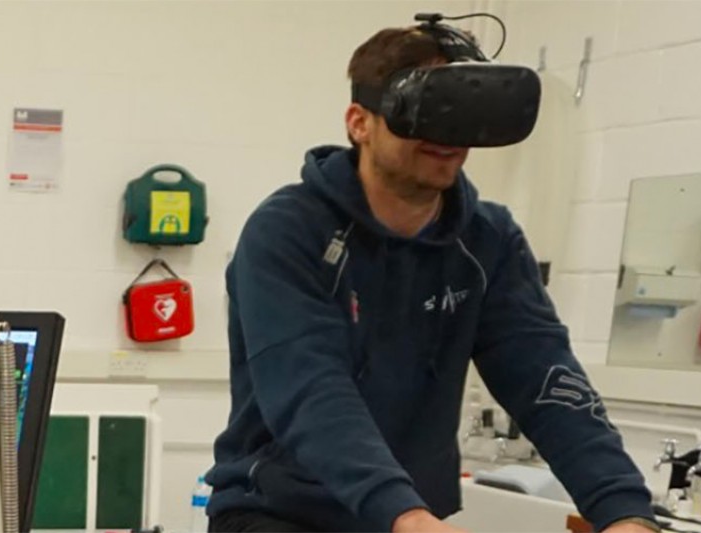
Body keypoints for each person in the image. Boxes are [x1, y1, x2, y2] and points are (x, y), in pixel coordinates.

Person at [205, 21, 660, 533]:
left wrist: (625, 511)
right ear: (360, 122)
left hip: (414, 516)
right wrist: (405, 515)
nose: (445, 137)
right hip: (283, 514)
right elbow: (310, 388)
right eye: (424, 113)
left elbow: (544, 377)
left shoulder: (489, 240)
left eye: (460, 116)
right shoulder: (290, 230)